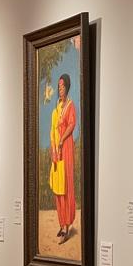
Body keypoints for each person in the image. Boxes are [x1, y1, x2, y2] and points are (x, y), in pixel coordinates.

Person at [49, 73, 77, 244]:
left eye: (62, 86)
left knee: (66, 186)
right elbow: (52, 129)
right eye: (58, 86)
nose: (60, 89)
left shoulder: (70, 106)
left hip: (66, 147)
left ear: (67, 87)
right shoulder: (56, 109)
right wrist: (53, 146)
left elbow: (72, 124)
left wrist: (61, 140)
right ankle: (61, 223)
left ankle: (67, 225)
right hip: (57, 150)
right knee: (58, 187)